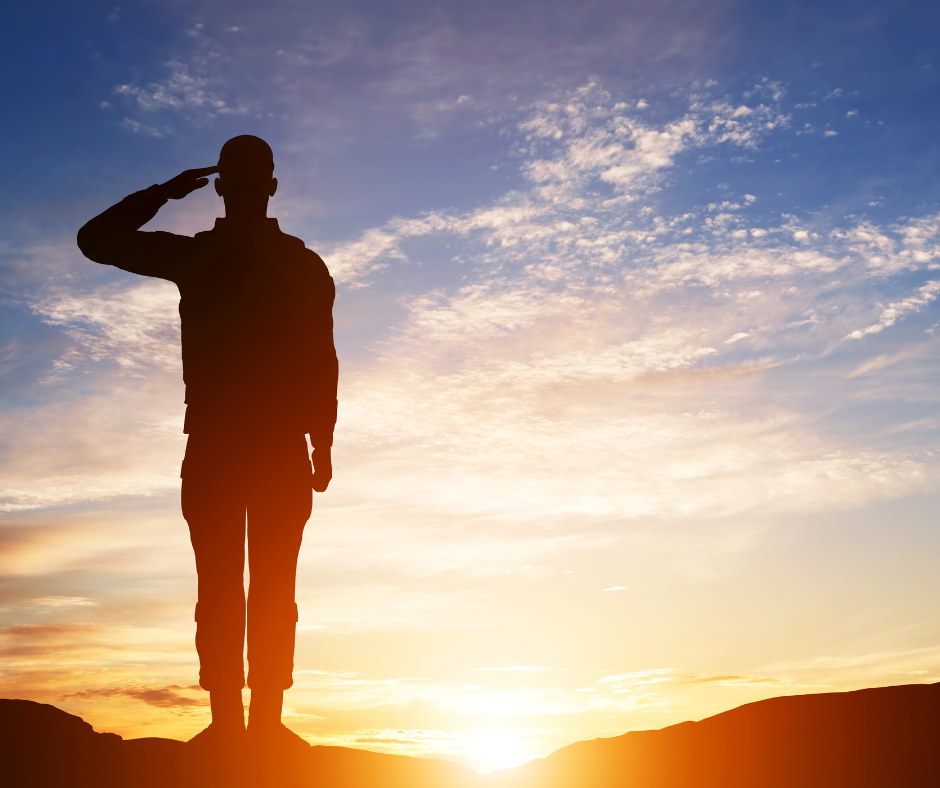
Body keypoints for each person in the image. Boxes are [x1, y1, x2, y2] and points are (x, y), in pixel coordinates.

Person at [77, 136, 338, 752]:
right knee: (252, 585)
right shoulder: (280, 263)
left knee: (238, 585)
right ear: (266, 186)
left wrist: (167, 192)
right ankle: (241, 723)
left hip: (241, 449)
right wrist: (322, 443)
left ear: (222, 187)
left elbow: (320, 358)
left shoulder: (211, 258)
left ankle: (251, 723)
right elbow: (321, 361)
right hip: (249, 449)